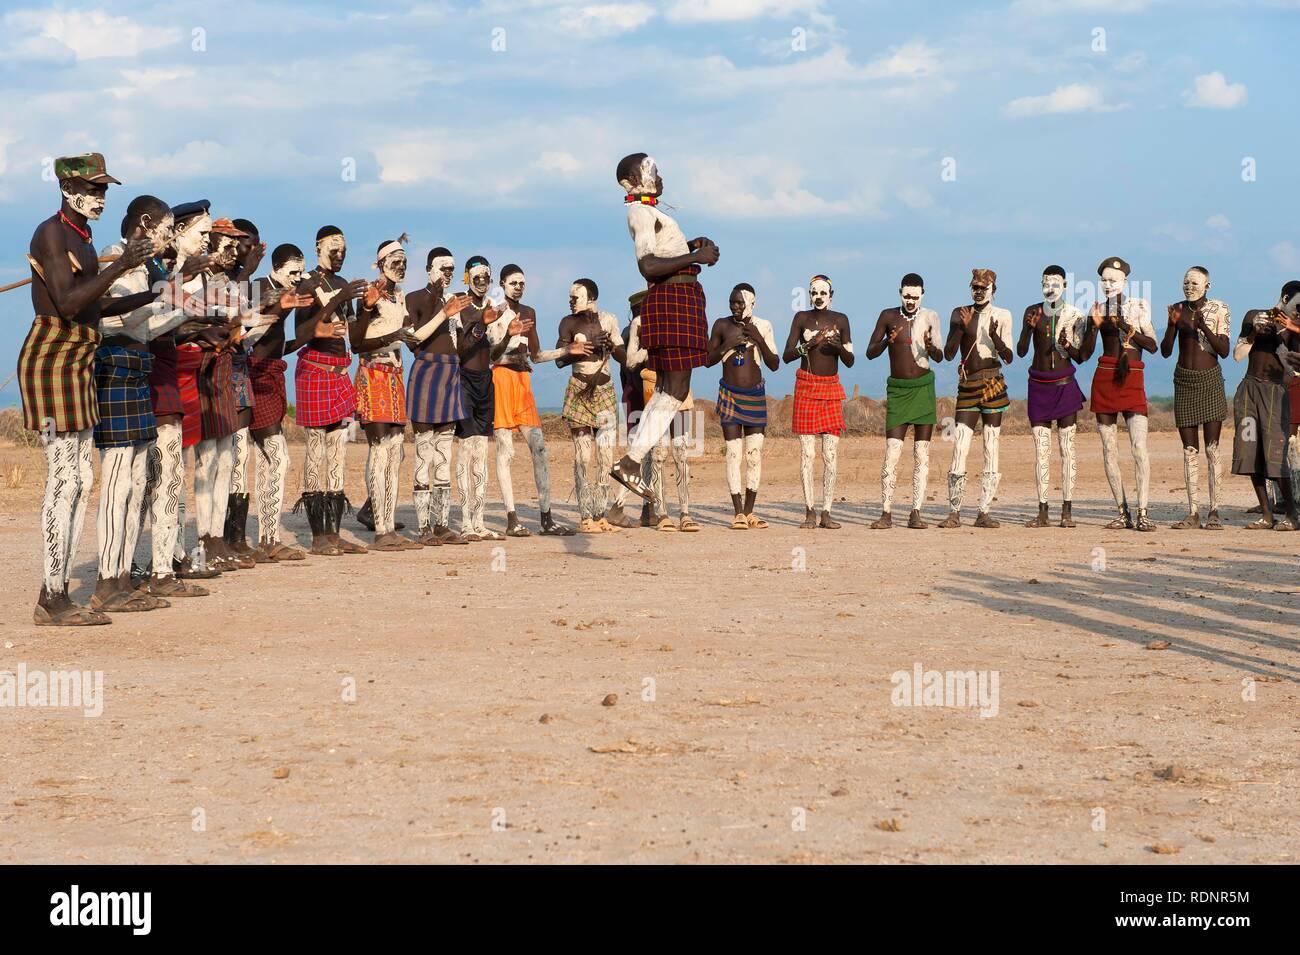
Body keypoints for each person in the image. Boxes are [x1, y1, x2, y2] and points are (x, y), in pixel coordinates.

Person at [18, 153, 152, 625]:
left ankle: (55, 595)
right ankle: (51, 597)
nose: (100, 197)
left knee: (82, 480)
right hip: (52, 359)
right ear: (67, 187)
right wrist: (123, 267)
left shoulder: (83, 237)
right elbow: (71, 302)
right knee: (63, 480)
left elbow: (98, 300)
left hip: (79, 358)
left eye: (104, 190)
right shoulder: (51, 233)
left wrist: (156, 293)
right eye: (93, 189)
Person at [608, 153, 719, 504]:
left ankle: (629, 462)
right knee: (675, 388)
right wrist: (694, 258)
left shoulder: (653, 212)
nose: (661, 175)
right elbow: (649, 266)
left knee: (669, 389)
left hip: (681, 296)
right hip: (671, 296)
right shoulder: (639, 212)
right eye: (653, 170)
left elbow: (663, 255)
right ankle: (630, 461)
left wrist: (689, 247)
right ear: (634, 178)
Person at [291, 225, 369, 555]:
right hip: (315, 369)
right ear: (318, 248)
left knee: (338, 451)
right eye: (333, 250)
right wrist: (336, 300)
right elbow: (301, 332)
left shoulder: (342, 285)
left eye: (343, 251)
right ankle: (317, 536)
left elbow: (354, 334)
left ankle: (334, 534)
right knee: (316, 450)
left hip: (339, 372)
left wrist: (366, 308)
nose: (339, 256)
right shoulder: (308, 284)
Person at [491, 264, 577, 536]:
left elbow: (537, 355)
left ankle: (546, 518)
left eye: (522, 283)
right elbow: (491, 355)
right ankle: (511, 518)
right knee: (506, 451)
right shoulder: (494, 310)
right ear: (503, 283)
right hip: (501, 381)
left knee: (539, 449)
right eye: (513, 282)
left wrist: (567, 350)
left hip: (523, 383)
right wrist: (509, 349)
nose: (519, 287)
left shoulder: (529, 313)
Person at [351, 239, 422, 550]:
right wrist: (370, 309)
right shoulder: (371, 294)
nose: (401, 264)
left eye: (404, 259)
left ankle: (387, 523)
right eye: (395, 259)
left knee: (396, 453)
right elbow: (356, 343)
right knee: (380, 451)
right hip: (374, 373)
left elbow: (411, 339)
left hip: (395, 376)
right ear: (380, 263)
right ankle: (382, 531)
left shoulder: (399, 296)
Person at [1078, 257, 1158, 531]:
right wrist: (1094, 325)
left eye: (1113, 280)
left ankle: (1143, 512)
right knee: (1109, 448)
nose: (1108, 284)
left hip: (1133, 376)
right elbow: (1085, 353)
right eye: (1104, 280)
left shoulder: (1138, 307)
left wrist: (1125, 326)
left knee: (1138, 448)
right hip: (1105, 376)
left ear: (1125, 281)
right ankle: (1122, 511)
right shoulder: (1096, 309)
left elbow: (1152, 346)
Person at [403, 248, 471, 545]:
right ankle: (423, 528)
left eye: (452, 268)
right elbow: (413, 338)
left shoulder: (452, 302)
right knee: (424, 450)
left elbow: (461, 344)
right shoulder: (415, 298)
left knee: (445, 452)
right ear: (429, 269)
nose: (448, 273)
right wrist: (445, 312)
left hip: (450, 373)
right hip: (427, 370)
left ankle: (442, 525)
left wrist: (481, 328)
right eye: (443, 268)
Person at [865, 274, 943, 529]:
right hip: (898, 391)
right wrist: (888, 340)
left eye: (915, 296)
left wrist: (931, 348)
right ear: (900, 292)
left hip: (923, 389)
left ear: (923, 294)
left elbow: (940, 356)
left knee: (922, 454)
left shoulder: (931, 316)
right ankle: (886, 512)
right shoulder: (888, 317)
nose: (910, 301)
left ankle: (916, 512)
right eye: (906, 296)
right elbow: (870, 352)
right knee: (892, 454)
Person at [940, 268, 1014, 529]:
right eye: (975, 287)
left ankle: (983, 511)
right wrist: (963, 327)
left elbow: (1008, 356)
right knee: (960, 444)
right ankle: (954, 512)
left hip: (993, 383)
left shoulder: (1003, 315)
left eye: (984, 287)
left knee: (991, 446)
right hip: (968, 385)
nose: (979, 291)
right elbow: (949, 354)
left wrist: (994, 336)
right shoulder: (959, 313)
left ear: (994, 289)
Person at [1161, 267, 1231, 529]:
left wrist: (1202, 326)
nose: (1189, 286)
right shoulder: (1177, 310)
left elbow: (1223, 350)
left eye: (1195, 282)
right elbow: (1166, 352)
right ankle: (1193, 512)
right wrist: (1171, 325)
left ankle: (1214, 511)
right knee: (1189, 451)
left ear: (1207, 286)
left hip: (1210, 381)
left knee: (1212, 450)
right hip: (1183, 381)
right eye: (1185, 282)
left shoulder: (1219, 309)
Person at [1018, 265, 1086, 528]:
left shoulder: (1075, 315)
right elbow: (1022, 351)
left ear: (1065, 287)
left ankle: (1067, 511)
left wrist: (1068, 345)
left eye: (1056, 284)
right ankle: (1043, 510)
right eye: (1047, 283)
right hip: (1038, 386)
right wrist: (1028, 328)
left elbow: (1081, 356)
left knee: (1067, 449)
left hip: (1065, 385)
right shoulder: (1031, 312)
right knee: (1041, 451)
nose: (1051, 288)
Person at [783, 275, 853, 529]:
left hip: (831, 389)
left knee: (830, 455)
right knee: (807, 454)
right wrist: (808, 345)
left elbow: (850, 360)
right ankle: (809, 511)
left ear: (831, 295)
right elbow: (787, 355)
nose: (819, 297)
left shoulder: (841, 320)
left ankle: (827, 512)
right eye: (815, 292)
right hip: (805, 386)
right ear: (809, 294)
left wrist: (838, 347)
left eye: (824, 293)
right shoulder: (801, 319)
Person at [706, 284, 778, 529]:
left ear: (751, 303)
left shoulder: (764, 325)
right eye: (732, 302)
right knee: (734, 454)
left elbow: (774, 363)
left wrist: (758, 339)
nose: (735, 307)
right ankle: (737, 512)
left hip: (755, 395)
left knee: (754, 456)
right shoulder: (721, 325)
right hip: (729, 395)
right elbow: (707, 360)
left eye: (739, 303)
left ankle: (750, 512)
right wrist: (728, 344)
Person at [555, 279, 623, 533]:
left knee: (605, 456)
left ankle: (601, 515)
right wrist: (575, 350)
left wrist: (611, 346)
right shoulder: (568, 323)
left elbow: (624, 357)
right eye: (570, 297)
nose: (571, 301)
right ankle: (586, 517)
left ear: (591, 298)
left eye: (576, 297)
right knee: (583, 456)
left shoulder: (609, 320)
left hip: (605, 391)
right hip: (579, 389)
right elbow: (559, 361)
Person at [1232, 282, 1300, 530]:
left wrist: (1287, 333)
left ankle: (1292, 515)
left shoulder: (1294, 329)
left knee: (1275, 455)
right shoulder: (1253, 315)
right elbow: (1238, 354)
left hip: (1275, 395)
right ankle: (1266, 513)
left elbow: (1295, 369)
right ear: (1285, 298)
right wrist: (1252, 335)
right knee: (1249, 452)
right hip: (1248, 391)